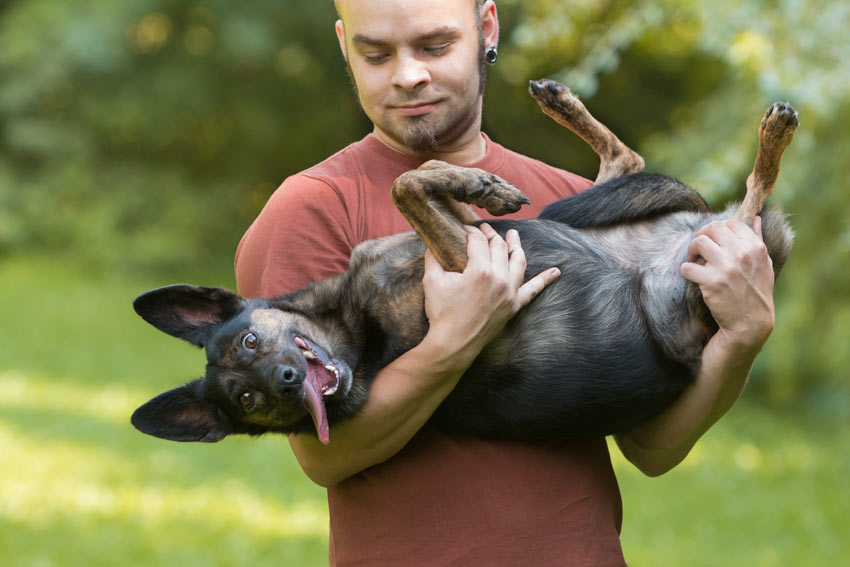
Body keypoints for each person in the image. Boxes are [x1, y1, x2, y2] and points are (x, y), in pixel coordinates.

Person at [234, 0, 777, 564]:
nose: (407, 75)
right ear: (345, 45)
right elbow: (326, 457)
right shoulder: (314, 208)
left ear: (486, 28)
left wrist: (743, 335)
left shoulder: (568, 195)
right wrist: (455, 340)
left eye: (435, 46)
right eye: (375, 54)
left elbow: (651, 445)